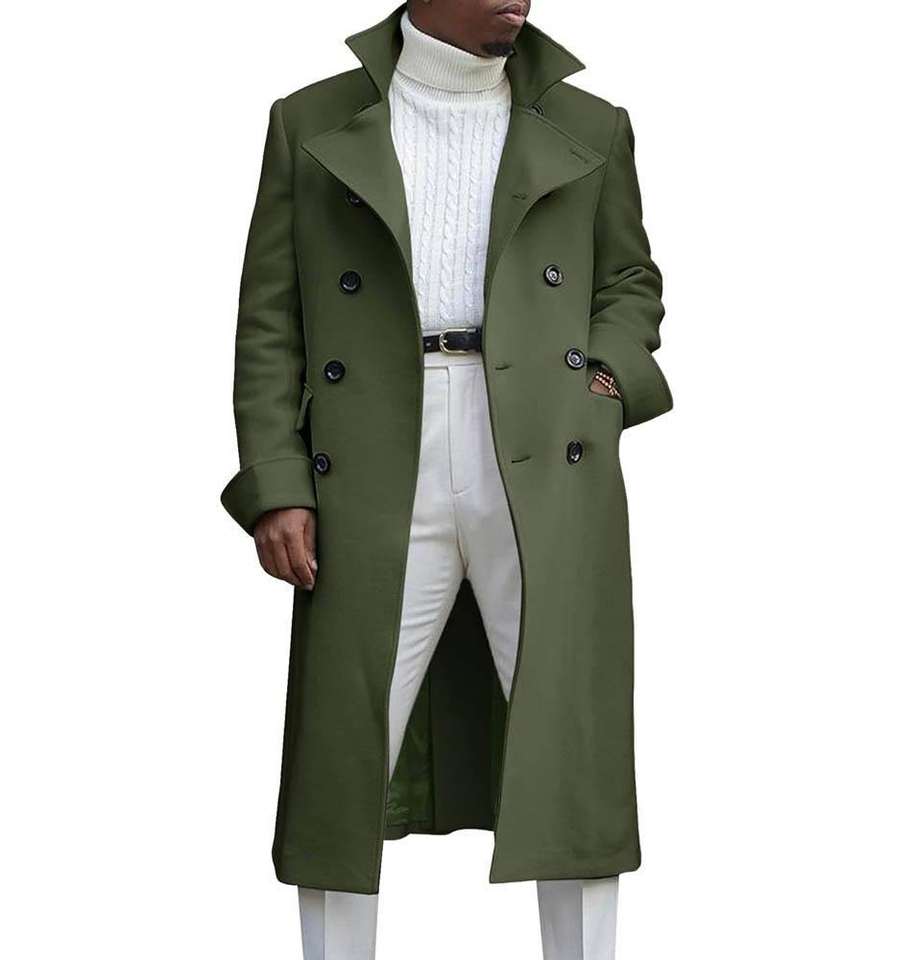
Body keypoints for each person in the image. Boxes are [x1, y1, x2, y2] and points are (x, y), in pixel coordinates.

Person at [221, 2, 672, 957]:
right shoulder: (309, 122)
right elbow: (270, 321)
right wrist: (276, 481)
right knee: (345, 743)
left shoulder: (592, 126)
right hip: (372, 444)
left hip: (545, 443)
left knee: (571, 739)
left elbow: (630, 280)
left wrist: (603, 382)